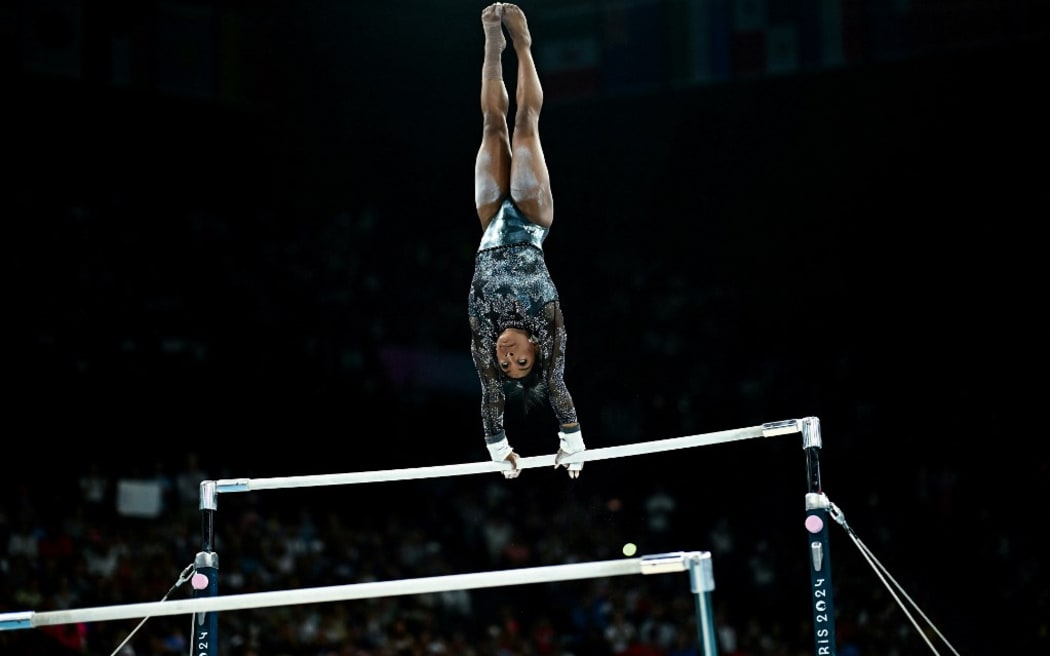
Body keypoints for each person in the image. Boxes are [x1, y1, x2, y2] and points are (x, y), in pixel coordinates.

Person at [468, 3, 585, 480]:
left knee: (493, 126)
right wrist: (572, 441)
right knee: (523, 124)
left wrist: (499, 450)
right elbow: (555, 386)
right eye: (521, 361)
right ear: (536, 350)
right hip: (532, 222)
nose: (508, 355)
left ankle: (492, 45)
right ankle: (524, 44)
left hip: (490, 223)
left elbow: (490, 396)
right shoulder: (547, 326)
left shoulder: (483, 338)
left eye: (507, 364)